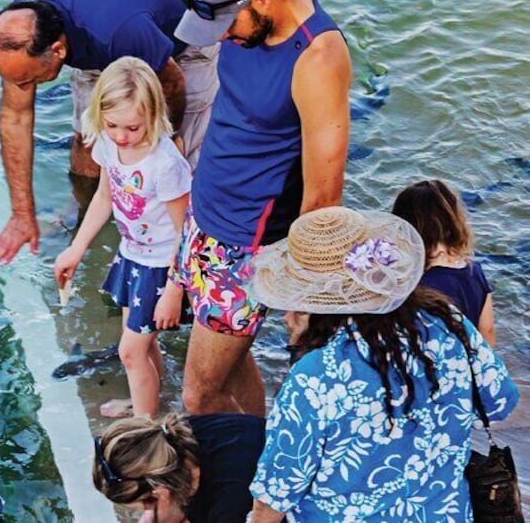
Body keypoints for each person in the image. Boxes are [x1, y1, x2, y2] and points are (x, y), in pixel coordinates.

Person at [244, 206, 519, 522]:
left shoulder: (314, 379)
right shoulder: (447, 323)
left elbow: (274, 496)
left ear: (313, 303)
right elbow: (499, 402)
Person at [168, 0, 352, 416]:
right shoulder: (246, 12)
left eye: (228, 27)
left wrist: (304, 286)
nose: (223, 38)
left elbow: (324, 195)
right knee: (230, 366)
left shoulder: (317, 58)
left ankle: (236, 483)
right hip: (204, 212)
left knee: (199, 395)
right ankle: (253, 449)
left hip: (247, 247)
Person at [0, 0, 220, 264]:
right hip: (112, 13)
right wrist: (21, 214)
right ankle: (86, 217)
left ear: (58, 50)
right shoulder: (21, 27)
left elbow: (172, 81)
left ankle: (174, 252)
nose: (22, 86)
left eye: (28, 79)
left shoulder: (119, 32)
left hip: (186, 30)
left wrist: (162, 143)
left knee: (170, 163)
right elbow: (15, 117)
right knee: (91, 138)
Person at [54, 57, 191, 419]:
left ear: (153, 114)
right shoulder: (107, 144)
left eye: (132, 127)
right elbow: (104, 196)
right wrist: (76, 249)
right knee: (141, 345)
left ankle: (144, 428)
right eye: (112, 124)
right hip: (132, 254)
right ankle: (149, 400)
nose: (121, 136)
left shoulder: (166, 164)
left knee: (130, 350)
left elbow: (185, 232)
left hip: (163, 265)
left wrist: (175, 290)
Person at [93, 412, 266, 523]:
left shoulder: (229, 509)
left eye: (142, 508)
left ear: (162, 494)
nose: (144, 515)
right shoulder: (178, 435)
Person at [392, 179, 496, 345]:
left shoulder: (419, 287)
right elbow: (487, 332)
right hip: (471, 363)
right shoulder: (474, 270)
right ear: (453, 221)